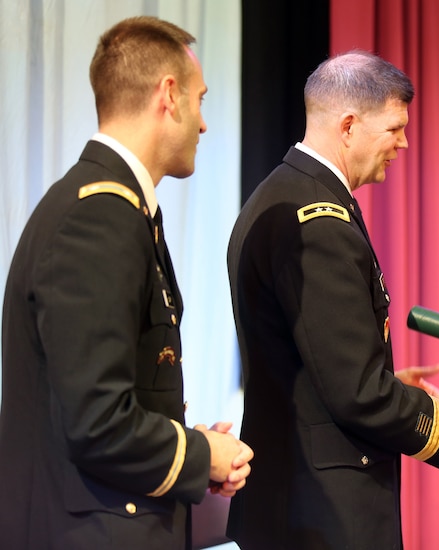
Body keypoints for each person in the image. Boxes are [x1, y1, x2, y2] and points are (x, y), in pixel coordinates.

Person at [225, 50, 439, 549]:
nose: (404, 142)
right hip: (321, 510)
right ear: (349, 125)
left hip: (298, 497)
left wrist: (386, 381)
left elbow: (314, 364)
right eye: (395, 128)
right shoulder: (318, 219)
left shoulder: (285, 193)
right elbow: (355, 392)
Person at [0, 16, 253, 550]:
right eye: (200, 99)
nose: (204, 124)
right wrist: (201, 453)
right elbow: (97, 421)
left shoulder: (112, 206)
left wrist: (191, 444)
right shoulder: (101, 216)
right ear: (169, 95)